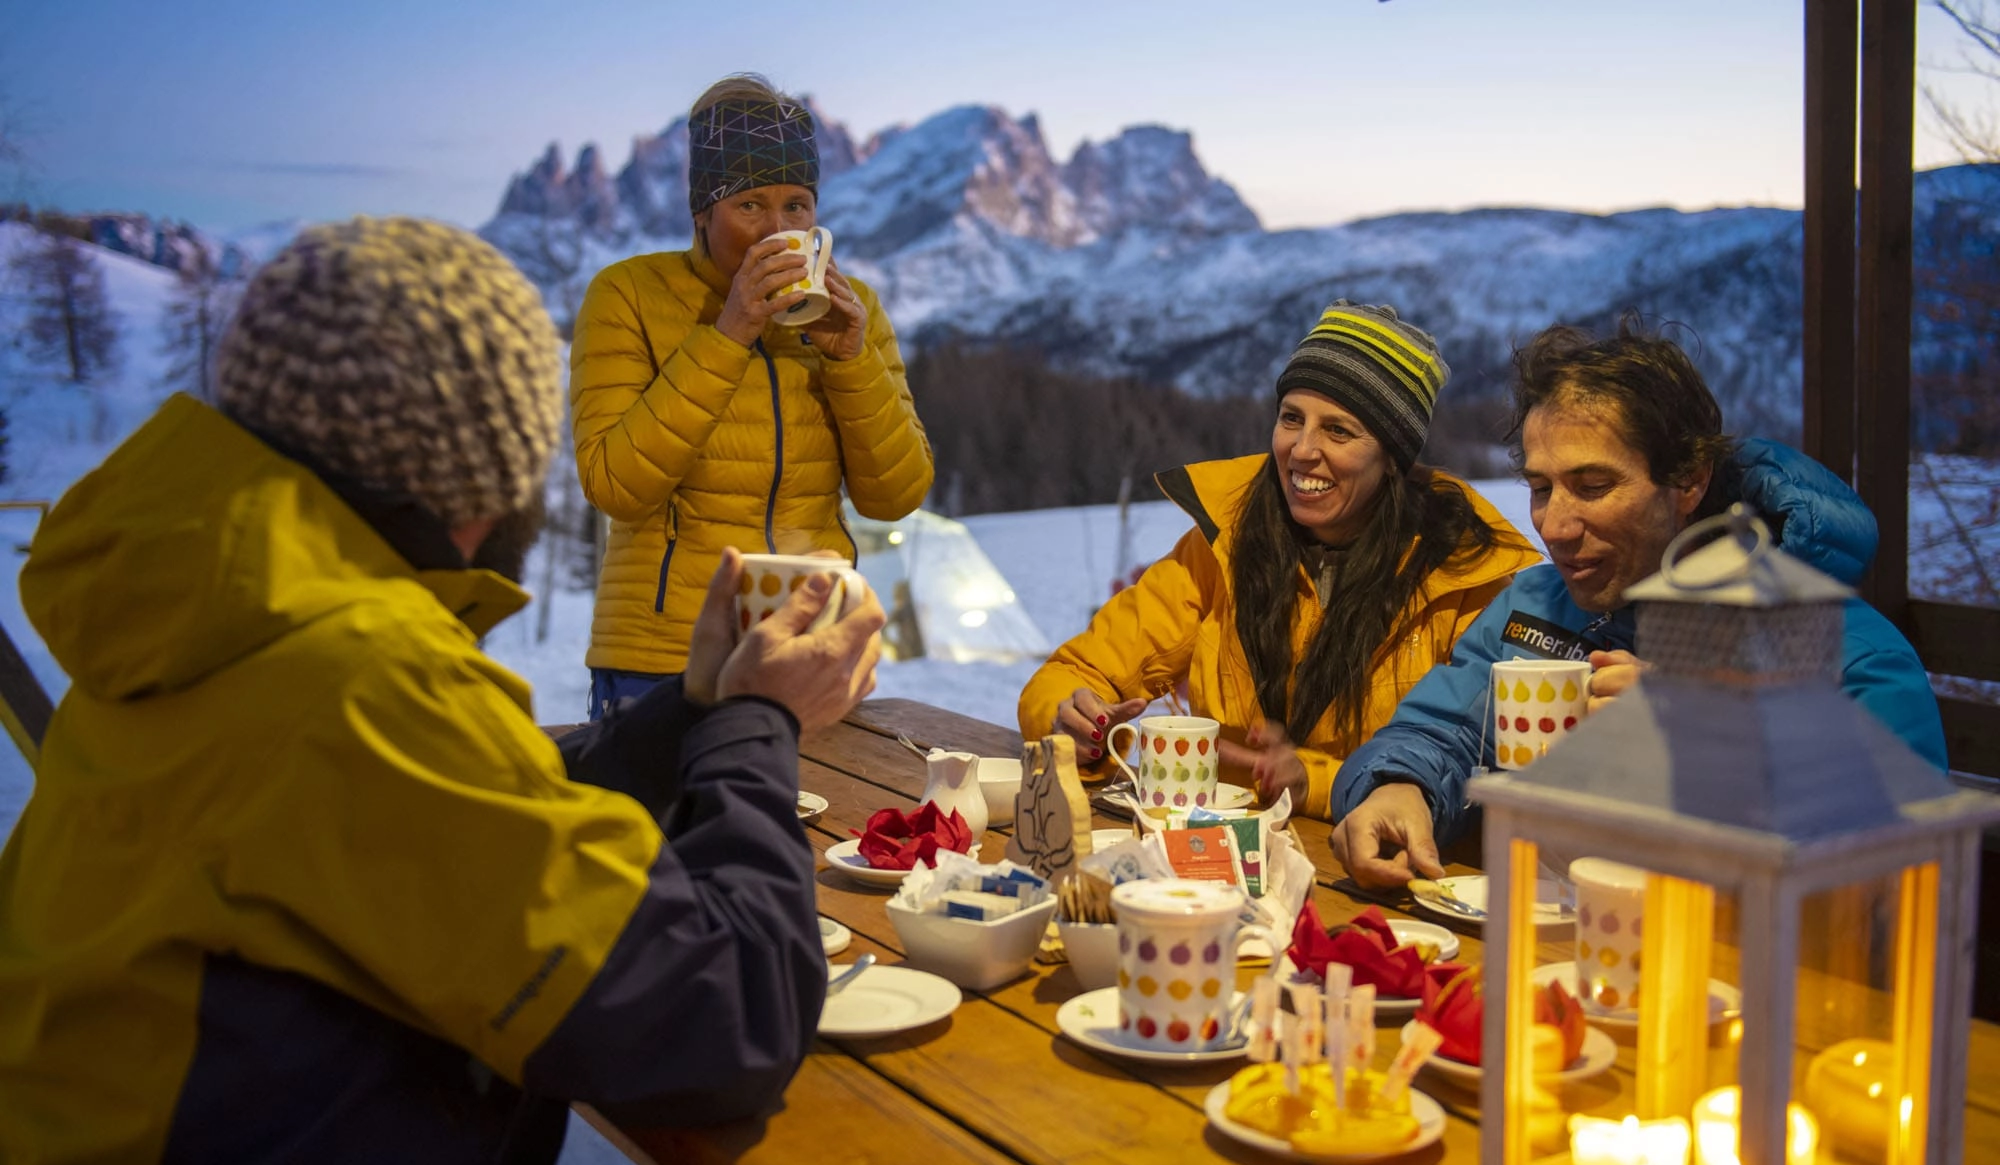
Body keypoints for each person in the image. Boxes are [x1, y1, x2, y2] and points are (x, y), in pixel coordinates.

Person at [0, 217, 886, 1165]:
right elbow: (728, 1028)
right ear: (477, 472)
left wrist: (699, 707)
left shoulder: (220, 616)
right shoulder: (352, 677)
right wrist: (761, 723)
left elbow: (463, 796)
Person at [1330, 319, 1949, 888]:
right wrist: (1399, 787)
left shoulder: (1849, 657)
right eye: (1541, 488)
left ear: (1689, 481)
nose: (1555, 527)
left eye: (1593, 486)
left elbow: (1898, 884)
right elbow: (1443, 731)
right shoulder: (1534, 607)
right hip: (1536, 947)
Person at [1017, 301, 1541, 818]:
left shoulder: (1461, 576)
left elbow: (1485, 773)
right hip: (1216, 848)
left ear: (1391, 458)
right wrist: (1074, 723)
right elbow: (1074, 672)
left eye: (1338, 430)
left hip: (1368, 857)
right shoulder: (1223, 544)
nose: (1302, 450)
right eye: (1292, 418)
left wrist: (1316, 780)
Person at [571, 72, 931, 719]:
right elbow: (614, 484)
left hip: (808, 650)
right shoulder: (627, 295)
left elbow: (895, 495)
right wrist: (729, 331)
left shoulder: (855, 309)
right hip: (664, 659)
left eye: (796, 205)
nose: (777, 227)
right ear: (703, 213)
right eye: (750, 205)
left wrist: (850, 360)